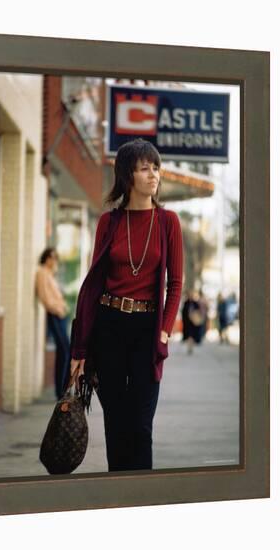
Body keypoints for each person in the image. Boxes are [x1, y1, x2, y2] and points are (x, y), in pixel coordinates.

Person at [69, 138, 183, 472]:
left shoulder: (168, 222)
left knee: (141, 425)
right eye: (145, 168)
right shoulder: (109, 222)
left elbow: (175, 283)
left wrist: (164, 331)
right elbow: (93, 286)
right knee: (117, 424)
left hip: (147, 331)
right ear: (127, 175)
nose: (154, 175)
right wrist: (81, 348)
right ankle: (117, 495)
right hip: (109, 328)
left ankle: (141, 496)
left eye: (156, 167)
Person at [35, 247, 71, 399]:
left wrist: (63, 307)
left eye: (56, 257)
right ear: (46, 258)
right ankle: (60, 391)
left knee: (64, 351)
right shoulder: (42, 272)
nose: (54, 260)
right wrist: (57, 309)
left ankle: (62, 389)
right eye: (51, 257)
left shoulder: (50, 273)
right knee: (64, 349)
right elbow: (44, 296)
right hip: (54, 315)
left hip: (60, 314)